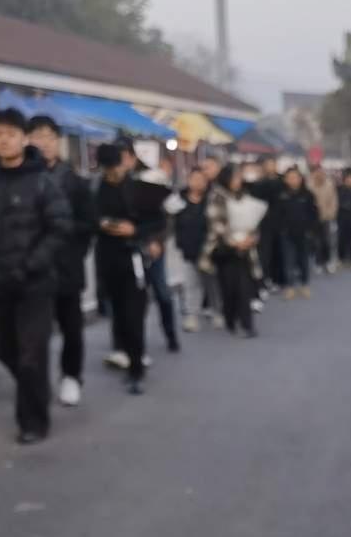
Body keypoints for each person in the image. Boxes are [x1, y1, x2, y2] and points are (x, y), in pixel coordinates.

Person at [0, 107, 71, 443]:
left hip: (33, 285)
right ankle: (37, 388)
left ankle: (33, 422)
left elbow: (60, 227)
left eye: (10, 133)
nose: (4, 139)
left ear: (24, 139)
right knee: (2, 347)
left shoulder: (42, 181)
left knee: (30, 355)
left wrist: (31, 264)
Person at [24, 115, 95, 408]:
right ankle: (36, 382)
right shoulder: (23, 179)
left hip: (66, 267)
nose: (44, 143)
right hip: (33, 269)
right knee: (34, 332)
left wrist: (68, 244)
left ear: (58, 142)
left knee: (71, 327)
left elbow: (88, 224)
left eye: (49, 137)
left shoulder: (75, 182)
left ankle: (71, 376)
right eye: (38, 136)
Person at [94, 142, 163, 393]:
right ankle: (125, 353)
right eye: (108, 168)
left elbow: (158, 220)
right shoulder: (95, 188)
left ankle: (136, 369)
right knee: (119, 316)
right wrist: (101, 224)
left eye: (116, 167)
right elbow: (85, 219)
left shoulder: (138, 189)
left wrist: (137, 231)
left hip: (134, 258)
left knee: (134, 314)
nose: (113, 173)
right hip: (107, 259)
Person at [202, 163, 262, 336]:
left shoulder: (244, 196)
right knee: (228, 287)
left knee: (244, 286)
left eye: (239, 177)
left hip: (244, 249)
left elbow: (253, 221)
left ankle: (247, 324)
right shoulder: (217, 196)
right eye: (235, 177)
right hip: (224, 250)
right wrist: (234, 241)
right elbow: (216, 224)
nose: (238, 181)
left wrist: (250, 238)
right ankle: (230, 318)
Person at [171, 168, 211, 331]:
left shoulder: (211, 200)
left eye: (200, 179)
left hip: (208, 249)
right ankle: (190, 315)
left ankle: (214, 310)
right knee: (190, 282)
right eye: (194, 179)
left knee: (209, 282)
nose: (197, 182)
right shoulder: (178, 200)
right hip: (187, 248)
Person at [278, 166, 319, 297]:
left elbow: (314, 214)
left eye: (296, 177)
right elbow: (276, 215)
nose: (293, 180)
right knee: (288, 261)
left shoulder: (308, 195)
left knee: (304, 260)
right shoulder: (281, 195)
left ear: (301, 179)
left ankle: (304, 285)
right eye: (290, 177)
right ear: (285, 180)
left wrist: (311, 230)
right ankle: (290, 287)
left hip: (304, 234)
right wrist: (282, 229)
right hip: (287, 234)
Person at [247, 155, 285, 287]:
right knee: (265, 252)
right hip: (263, 223)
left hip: (280, 222)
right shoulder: (259, 183)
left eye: (273, 164)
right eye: (268, 164)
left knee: (279, 251)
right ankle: (265, 279)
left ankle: (278, 278)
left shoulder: (282, 181)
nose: (271, 167)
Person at [311, 167, 339, 268]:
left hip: (326, 217)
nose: (319, 175)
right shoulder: (309, 185)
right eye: (317, 173)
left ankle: (328, 260)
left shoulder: (329, 185)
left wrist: (330, 214)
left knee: (327, 241)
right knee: (316, 242)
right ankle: (318, 261)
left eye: (321, 173)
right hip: (313, 218)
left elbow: (334, 201)